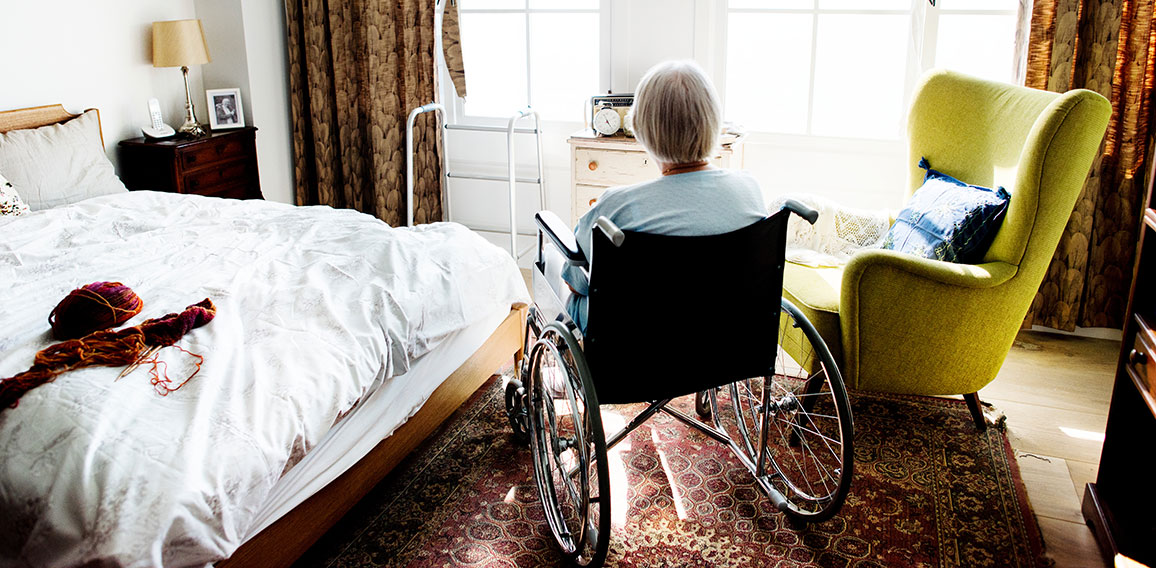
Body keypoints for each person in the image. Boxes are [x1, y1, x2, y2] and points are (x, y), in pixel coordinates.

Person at [555, 60, 767, 331]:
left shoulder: (615, 208)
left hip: (638, 339)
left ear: (641, 129)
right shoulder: (749, 190)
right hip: (725, 334)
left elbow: (577, 282)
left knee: (552, 263)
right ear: (715, 123)